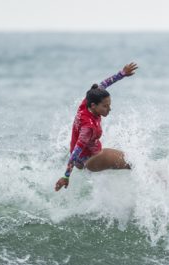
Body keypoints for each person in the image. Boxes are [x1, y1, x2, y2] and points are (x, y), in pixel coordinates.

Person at [54, 62, 138, 192]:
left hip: (87, 158)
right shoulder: (88, 127)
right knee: (133, 161)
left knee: (130, 162)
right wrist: (66, 176)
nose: (109, 109)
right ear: (94, 106)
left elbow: (103, 84)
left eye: (109, 105)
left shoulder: (86, 103)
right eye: (105, 106)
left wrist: (122, 74)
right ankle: (166, 183)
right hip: (91, 160)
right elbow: (75, 154)